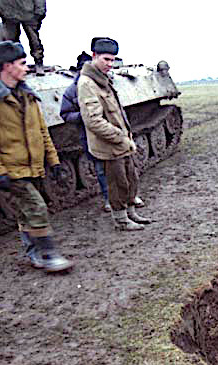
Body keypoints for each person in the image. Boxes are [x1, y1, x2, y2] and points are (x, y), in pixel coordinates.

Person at [0, 40, 73, 273]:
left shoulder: (27, 93)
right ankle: (49, 254)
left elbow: (41, 130)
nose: (27, 68)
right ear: (7, 66)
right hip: (10, 167)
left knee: (26, 213)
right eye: (22, 63)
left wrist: (54, 161)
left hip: (31, 165)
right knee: (36, 208)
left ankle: (34, 254)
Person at [78, 38, 150, 230]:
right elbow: (93, 120)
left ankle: (131, 213)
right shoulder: (87, 83)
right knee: (117, 183)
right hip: (109, 144)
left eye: (113, 60)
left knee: (129, 179)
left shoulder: (103, 79)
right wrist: (120, 137)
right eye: (106, 59)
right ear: (94, 56)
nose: (110, 64)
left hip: (121, 142)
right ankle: (121, 220)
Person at [59, 52, 111, 212]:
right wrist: (84, 117)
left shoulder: (106, 83)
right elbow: (65, 114)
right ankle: (109, 199)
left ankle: (128, 196)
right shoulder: (72, 90)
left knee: (121, 165)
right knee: (101, 169)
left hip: (111, 131)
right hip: (90, 135)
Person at [0, 0, 46, 73]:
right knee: (10, 41)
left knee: (34, 40)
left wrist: (40, 11)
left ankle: (38, 62)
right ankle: (15, 64)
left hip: (28, 14)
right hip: (9, 13)